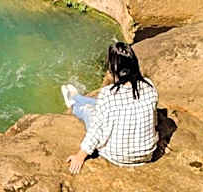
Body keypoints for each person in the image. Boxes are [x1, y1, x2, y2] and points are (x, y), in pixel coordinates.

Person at [63, 41, 157, 174]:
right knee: (101, 105)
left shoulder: (108, 94)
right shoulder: (149, 86)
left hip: (116, 155)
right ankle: (78, 97)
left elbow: (96, 130)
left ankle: (73, 105)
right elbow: (153, 118)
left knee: (89, 111)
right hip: (146, 154)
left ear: (113, 68)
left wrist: (80, 156)